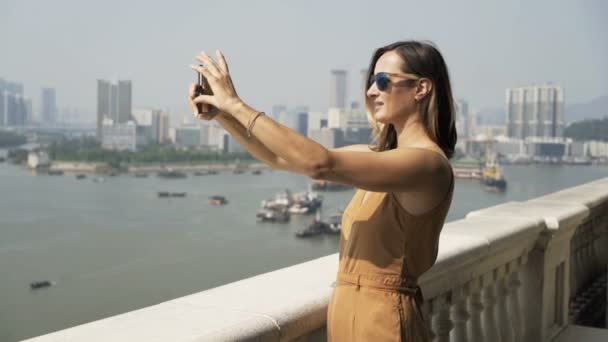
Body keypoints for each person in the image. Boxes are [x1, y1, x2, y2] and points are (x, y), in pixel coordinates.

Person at [189, 40, 456, 342]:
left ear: (421, 89)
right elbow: (277, 158)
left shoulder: (427, 164)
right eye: (371, 82)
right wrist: (223, 114)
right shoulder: (382, 157)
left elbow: (319, 164)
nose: (371, 92)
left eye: (383, 81)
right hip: (350, 314)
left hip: (383, 322)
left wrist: (236, 103)